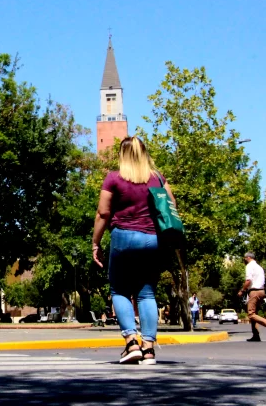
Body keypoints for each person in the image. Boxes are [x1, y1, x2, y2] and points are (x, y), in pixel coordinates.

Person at [92, 136, 177, 365]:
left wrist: (95, 243)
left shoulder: (113, 178)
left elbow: (103, 214)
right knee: (146, 293)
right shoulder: (157, 178)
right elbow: (171, 206)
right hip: (152, 240)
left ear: (122, 155)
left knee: (119, 290)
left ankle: (131, 342)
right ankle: (148, 349)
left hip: (123, 238)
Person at [238, 251, 266, 342]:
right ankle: (256, 335)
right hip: (262, 291)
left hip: (254, 291)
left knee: (251, 314)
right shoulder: (259, 267)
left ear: (248, 257)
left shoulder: (249, 266)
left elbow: (248, 280)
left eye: (244, 258)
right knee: (254, 314)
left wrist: (242, 290)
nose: (244, 260)